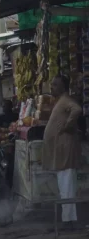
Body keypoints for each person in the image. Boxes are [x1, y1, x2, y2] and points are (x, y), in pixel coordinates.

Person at [43, 75, 82, 230]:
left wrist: (67, 125)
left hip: (65, 150)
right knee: (64, 185)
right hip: (61, 151)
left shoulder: (65, 100)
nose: (51, 87)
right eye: (51, 84)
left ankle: (69, 222)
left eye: (55, 84)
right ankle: (67, 220)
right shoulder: (60, 101)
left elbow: (77, 109)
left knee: (67, 186)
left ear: (63, 87)